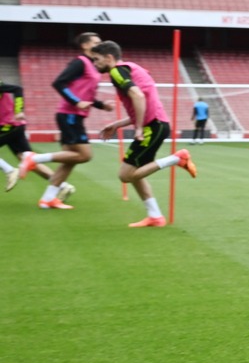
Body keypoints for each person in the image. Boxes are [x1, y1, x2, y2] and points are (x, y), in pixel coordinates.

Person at [90, 41, 198, 228]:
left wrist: (138, 128)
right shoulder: (132, 68)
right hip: (156, 125)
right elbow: (143, 103)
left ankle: (177, 159)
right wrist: (118, 124)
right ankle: (155, 216)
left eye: (96, 59)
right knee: (134, 173)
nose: (94, 64)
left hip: (152, 127)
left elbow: (138, 96)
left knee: (125, 175)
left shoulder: (116, 71)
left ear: (109, 57)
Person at [39, 30, 109, 210]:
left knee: (69, 161)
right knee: (85, 155)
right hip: (69, 115)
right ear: (85, 45)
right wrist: (76, 102)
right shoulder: (80, 62)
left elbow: (86, 95)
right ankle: (34, 159)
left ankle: (48, 199)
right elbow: (58, 83)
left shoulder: (93, 66)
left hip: (75, 115)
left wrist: (102, 105)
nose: (99, 45)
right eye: (96, 42)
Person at [0, 81, 48, 193]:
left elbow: (17, 88)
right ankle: (61, 186)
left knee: (28, 160)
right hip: (15, 126)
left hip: (8, 126)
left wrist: (18, 111)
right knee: (29, 159)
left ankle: (10, 170)